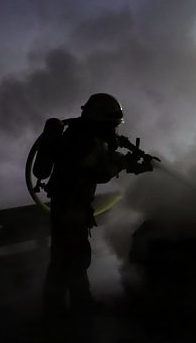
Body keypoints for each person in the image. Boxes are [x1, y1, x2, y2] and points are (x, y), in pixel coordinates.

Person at [43, 93, 154, 315]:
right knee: (68, 258)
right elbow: (98, 172)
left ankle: (79, 302)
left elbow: (104, 161)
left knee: (74, 257)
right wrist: (124, 162)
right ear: (99, 121)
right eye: (111, 125)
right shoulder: (83, 141)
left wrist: (132, 164)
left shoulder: (85, 136)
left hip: (73, 205)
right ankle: (56, 308)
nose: (114, 131)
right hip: (69, 207)